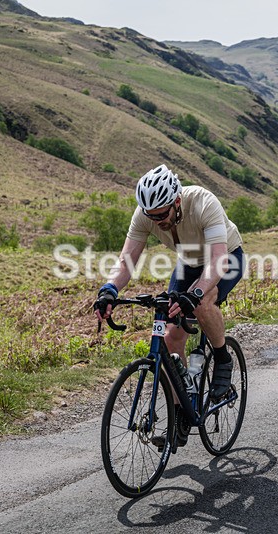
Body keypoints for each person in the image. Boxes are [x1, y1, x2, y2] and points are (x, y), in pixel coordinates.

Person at [94, 164, 245, 409]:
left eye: (161, 215)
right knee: (171, 337)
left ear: (177, 201)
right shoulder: (144, 215)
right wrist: (109, 290)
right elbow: (126, 261)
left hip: (227, 257)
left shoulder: (204, 202)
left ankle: (222, 357)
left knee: (203, 302)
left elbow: (218, 260)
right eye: (151, 216)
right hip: (189, 262)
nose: (157, 221)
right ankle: (180, 411)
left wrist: (195, 293)